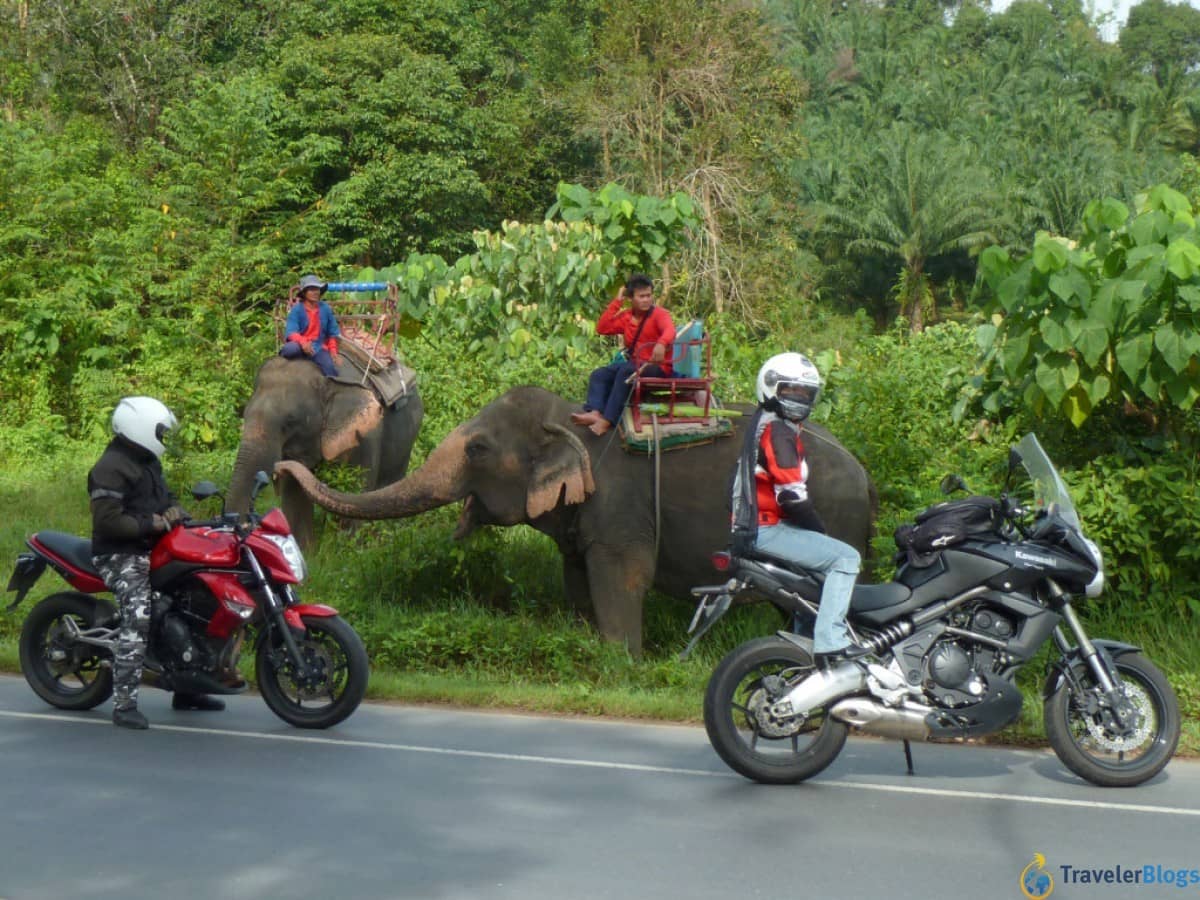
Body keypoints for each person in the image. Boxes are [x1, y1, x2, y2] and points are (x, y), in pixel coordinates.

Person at [89, 396, 225, 729]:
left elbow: (166, 498)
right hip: (120, 553)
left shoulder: (147, 460)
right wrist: (152, 524)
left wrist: (176, 512)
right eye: (160, 431)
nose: (163, 437)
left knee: (195, 598)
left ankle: (187, 690)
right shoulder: (110, 468)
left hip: (153, 546)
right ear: (141, 428)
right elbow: (108, 521)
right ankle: (124, 705)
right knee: (139, 615)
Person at [731, 353, 868, 669]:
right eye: (791, 391)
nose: (799, 399)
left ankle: (804, 644)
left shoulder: (768, 424)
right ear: (770, 388)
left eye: (805, 393)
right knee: (846, 558)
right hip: (763, 528)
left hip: (759, 524)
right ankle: (831, 642)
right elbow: (792, 497)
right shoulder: (778, 432)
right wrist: (818, 531)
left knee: (818, 578)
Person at [571, 273, 676, 436]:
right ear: (630, 299)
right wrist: (617, 301)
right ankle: (595, 411)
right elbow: (602, 328)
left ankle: (608, 420)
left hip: (656, 366)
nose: (647, 300)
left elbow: (670, 330)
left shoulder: (659, 315)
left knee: (625, 371)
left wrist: (661, 344)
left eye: (648, 295)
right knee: (599, 374)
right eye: (641, 296)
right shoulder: (627, 317)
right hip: (634, 364)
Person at [280, 274, 342, 377]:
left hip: (318, 347)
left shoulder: (325, 309)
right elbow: (291, 332)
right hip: (300, 345)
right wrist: (303, 342)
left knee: (330, 369)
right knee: (289, 350)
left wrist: (333, 351)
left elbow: (332, 333)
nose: (315, 292)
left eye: (317, 289)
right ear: (304, 293)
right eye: (311, 289)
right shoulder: (296, 310)